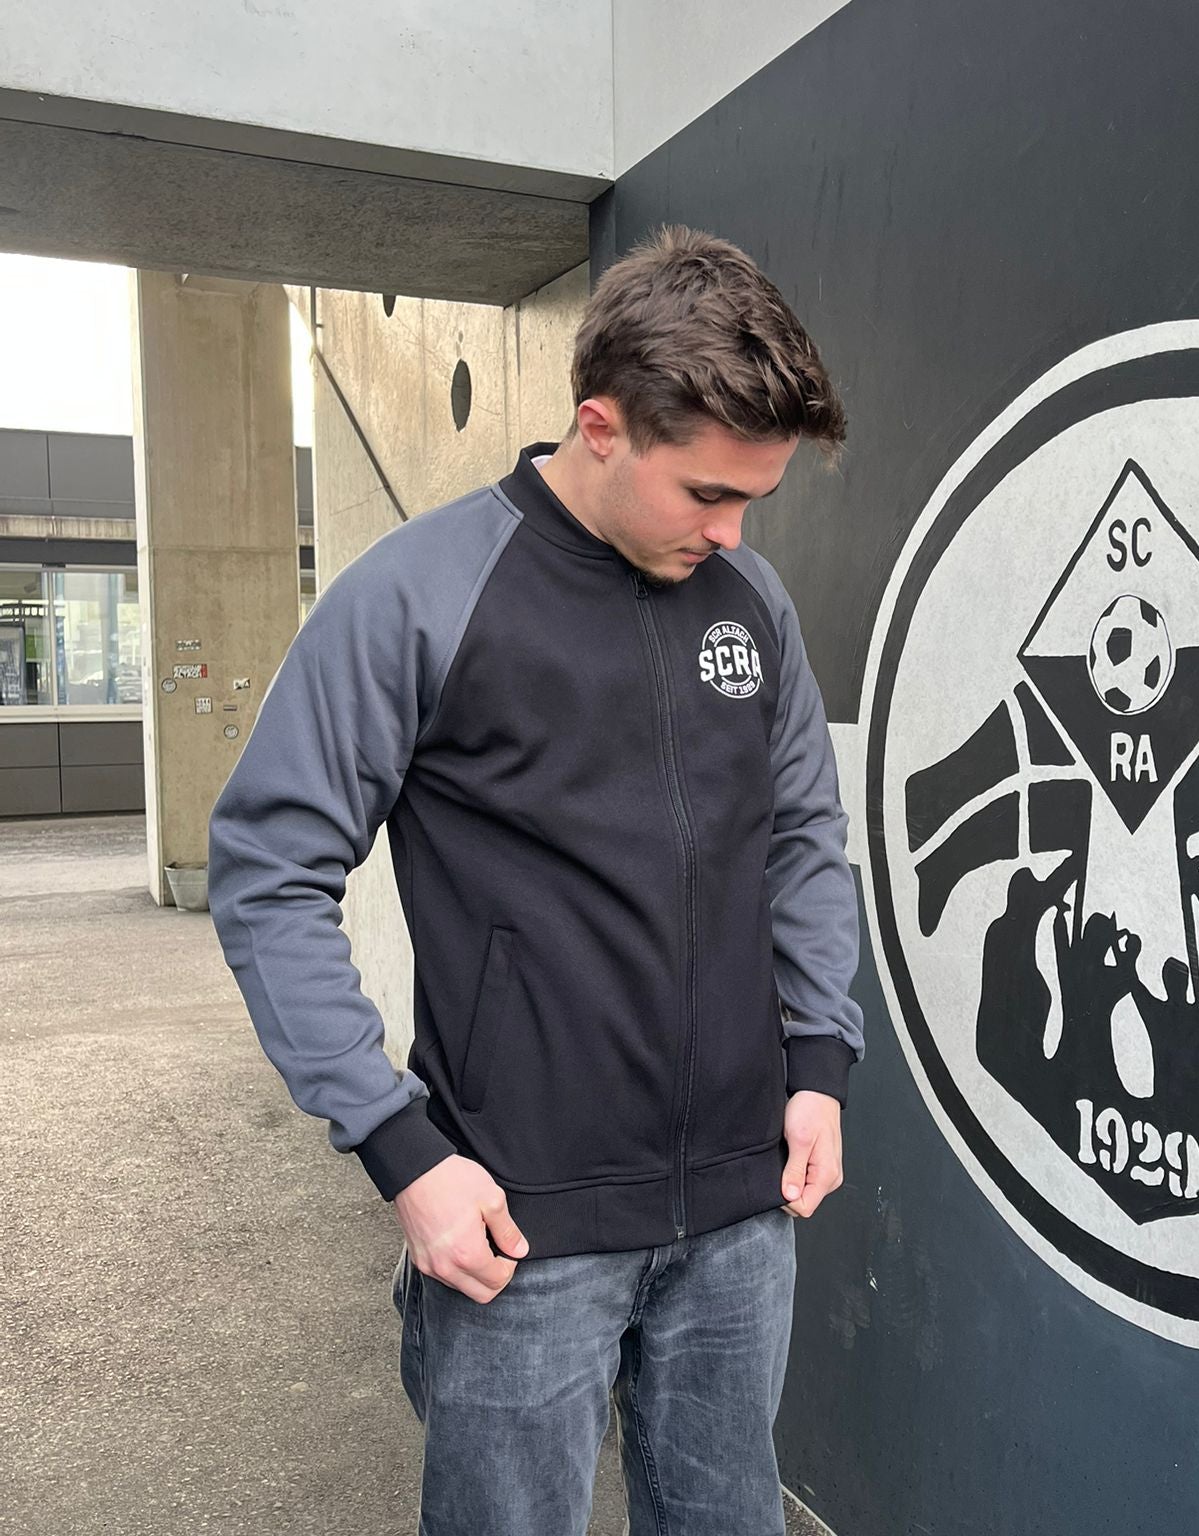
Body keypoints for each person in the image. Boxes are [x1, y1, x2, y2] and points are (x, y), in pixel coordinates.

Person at [207, 225, 864, 1536]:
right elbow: (271, 871)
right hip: (517, 1221)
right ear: (600, 427)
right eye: (706, 494)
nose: (734, 533)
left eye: (754, 501)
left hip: (744, 1209)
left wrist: (819, 1065)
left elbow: (801, 836)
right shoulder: (419, 596)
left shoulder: (751, 602)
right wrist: (400, 1149)